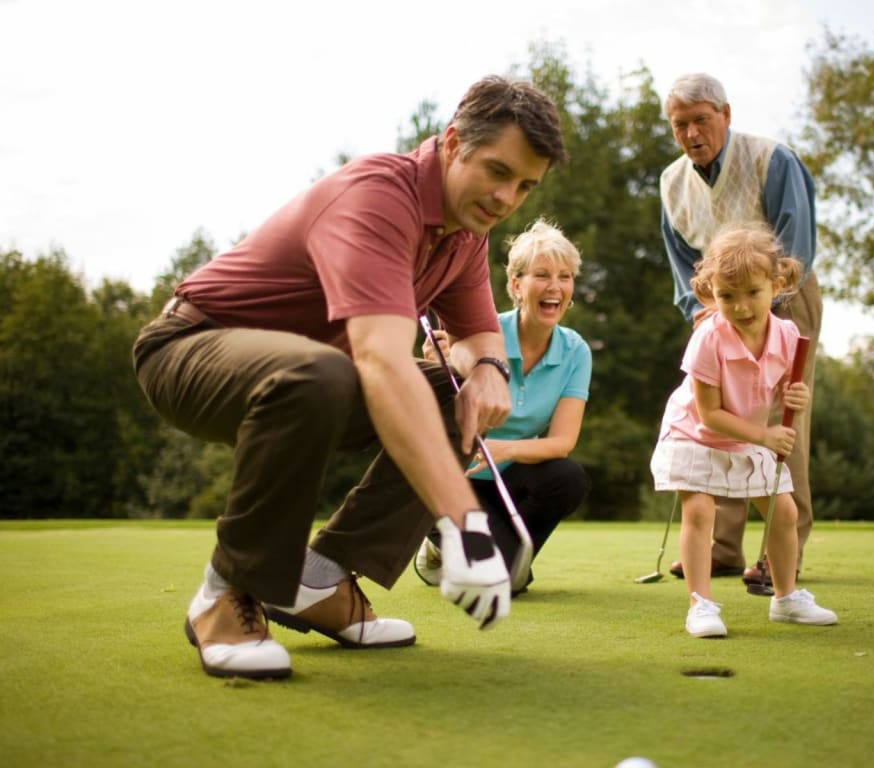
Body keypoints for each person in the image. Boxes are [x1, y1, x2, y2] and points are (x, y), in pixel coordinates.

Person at [131, 76, 567, 680]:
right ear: (451, 143)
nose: (505, 196)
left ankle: (319, 580)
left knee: (448, 391)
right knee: (324, 373)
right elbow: (383, 363)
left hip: (307, 383)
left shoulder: (467, 232)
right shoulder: (378, 195)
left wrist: (490, 369)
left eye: (524, 186)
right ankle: (225, 593)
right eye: (497, 171)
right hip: (188, 349)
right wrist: (464, 523)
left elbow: (477, 329)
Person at [659, 72, 822, 586]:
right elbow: (682, 259)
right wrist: (701, 309)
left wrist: (769, 307)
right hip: (720, 307)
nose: (691, 133)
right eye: (679, 124)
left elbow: (796, 245)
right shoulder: (671, 182)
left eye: (701, 120)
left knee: (781, 416)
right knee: (719, 418)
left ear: (725, 115)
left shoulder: (772, 159)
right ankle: (723, 549)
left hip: (783, 298)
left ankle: (782, 551)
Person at [650, 224, 837, 638]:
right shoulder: (708, 339)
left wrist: (795, 396)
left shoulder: (788, 334)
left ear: (777, 284)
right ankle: (701, 605)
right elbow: (709, 415)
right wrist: (766, 437)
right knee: (699, 511)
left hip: (747, 433)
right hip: (695, 432)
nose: (741, 306)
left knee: (783, 512)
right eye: (727, 296)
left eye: (753, 292)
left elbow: (783, 385)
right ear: (709, 294)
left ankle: (785, 599)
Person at [414, 218, 592, 594]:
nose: (555, 287)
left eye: (565, 276)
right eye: (542, 275)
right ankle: (443, 547)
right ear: (516, 285)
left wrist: (504, 449)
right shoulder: (480, 332)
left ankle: (500, 563)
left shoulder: (575, 350)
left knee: (569, 477)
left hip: (511, 481)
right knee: (503, 580)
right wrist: (434, 366)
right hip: (456, 481)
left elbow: (561, 443)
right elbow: (430, 415)